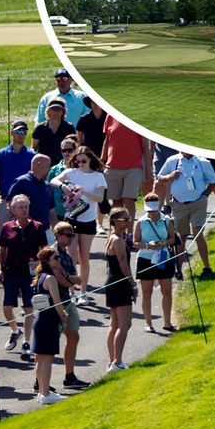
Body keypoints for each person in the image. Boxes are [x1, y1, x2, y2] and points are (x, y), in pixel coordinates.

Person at [48, 146, 103, 303]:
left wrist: (83, 191)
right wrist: (64, 186)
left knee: (84, 257)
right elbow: (53, 180)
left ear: (90, 159)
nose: (80, 163)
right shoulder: (71, 173)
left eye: (84, 161)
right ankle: (71, 291)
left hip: (88, 220)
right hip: (71, 219)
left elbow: (99, 198)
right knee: (71, 257)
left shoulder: (98, 176)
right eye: (77, 161)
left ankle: (83, 292)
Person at [0, 194, 46, 358]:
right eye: (20, 207)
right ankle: (15, 330)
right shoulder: (7, 227)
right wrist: (0, 269)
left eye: (26, 206)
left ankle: (26, 341)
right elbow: (2, 249)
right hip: (11, 271)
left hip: (29, 275)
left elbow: (44, 248)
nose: (24, 210)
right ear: (13, 210)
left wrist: (39, 262)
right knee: (7, 307)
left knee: (28, 308)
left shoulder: (38, 226)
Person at [156, 150, 215, 275]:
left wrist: (205, 195)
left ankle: (207, 267)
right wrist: (170, 176)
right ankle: (179, 270)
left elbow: (213, 180)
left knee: (197, 232)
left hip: (198, 202)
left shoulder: (202, 162)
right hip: (179, 204)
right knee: (181, 237)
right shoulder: (172, 160)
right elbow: (160, 178)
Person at [30, 246, 70, 405]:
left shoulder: (41, 277)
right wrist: (63, 316)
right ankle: (46, 394)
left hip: (40, 319)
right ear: (47, 261)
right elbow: (57, 302)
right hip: (48, 320)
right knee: (46, 357)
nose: (59, 260)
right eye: (56, 258)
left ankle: (42, 392)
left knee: (40, 358)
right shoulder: (50, 278)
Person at [51, 222, 87, 389]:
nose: (71, 238)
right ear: (57, 235)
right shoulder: (52, 254)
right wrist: (68, 278)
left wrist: (67, 277)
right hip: (55, 303)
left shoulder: (65, 255)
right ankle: (41, 382)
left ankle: (69, 376)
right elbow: (60, 280)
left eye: (72, 235)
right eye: (68, 234)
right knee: (50, 343)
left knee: (74, 336)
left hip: (67, 300)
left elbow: (77, 279)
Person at [134, 194, 177, 333]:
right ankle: (148, 323)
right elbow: (135, 241)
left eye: (153, 209)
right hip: (145, 259)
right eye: (149, 210)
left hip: (163, 257)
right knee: (146, 292)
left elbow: (172, 238)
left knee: (167, 291)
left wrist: (163, 243)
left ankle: (167, 322)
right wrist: (147, 246)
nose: (151, 213)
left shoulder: (167, 220)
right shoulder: (141, 222)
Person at [102, 112, 152, 218]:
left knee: (128, 199)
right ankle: (118, 231)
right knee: (116, 203)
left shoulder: (138, 118)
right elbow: (107, 140)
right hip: (112, 166)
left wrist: (148, 168)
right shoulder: (110, 115)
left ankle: (129, 233)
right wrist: (102, 160)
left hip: (133, 167)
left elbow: (145, 146)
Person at [103, 207, 135, 371]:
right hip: (120, 282)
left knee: (114, 324)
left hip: (112, 282)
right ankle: (117, 361)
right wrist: (133, 284)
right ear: (115, 221)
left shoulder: (112, 238)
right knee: (124, 324)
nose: (129, 222)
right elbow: (124, 265)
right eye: (126, 219)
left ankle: (113, 360)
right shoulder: (117, 240)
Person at [0, 120, 35, 223]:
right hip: (5, 202)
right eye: (18, 132)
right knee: (1, 235)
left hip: (26, 203)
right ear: (11, 132)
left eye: (24, 132)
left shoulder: (32, 155)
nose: (21, 135)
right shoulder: (0, 155)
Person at [32, 99, 76, 165]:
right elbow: (34, 147)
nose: (56, 112)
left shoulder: (69, 127)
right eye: (53, 109)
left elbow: (74, 146)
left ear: (63, 112)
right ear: (48, 111)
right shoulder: (40, 128)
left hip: (63, 164)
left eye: (58, 110)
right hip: (44, 164)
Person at [74, 96, 107, 161]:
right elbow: (79, 139)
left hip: (105, 153)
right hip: (88, 154)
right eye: (92, 102)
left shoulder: (108, 118)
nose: (95, 104)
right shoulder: (84, 118)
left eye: (97, 102)